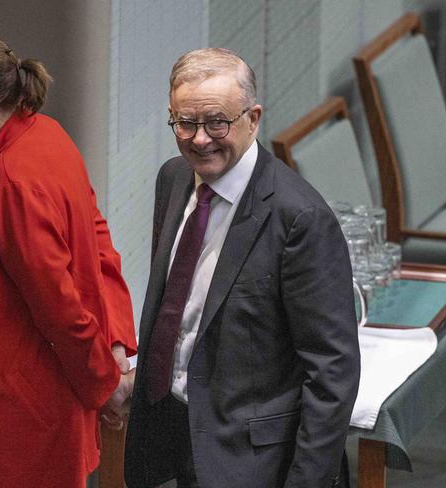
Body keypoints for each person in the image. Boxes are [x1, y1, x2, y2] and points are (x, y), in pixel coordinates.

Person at [121, 47, 361, 488]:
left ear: (253, 118)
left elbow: (332, 373)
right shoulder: (173, 178)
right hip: (166, 436)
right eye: (185, 122)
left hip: (249, 462)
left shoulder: (299, 218)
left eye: (216, 122)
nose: (199, 139)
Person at [0, 30, 137, 488]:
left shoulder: (10, 180)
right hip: (42, 399)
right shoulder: (46, 134)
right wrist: (116, 346)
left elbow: (59, 306)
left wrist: (105, 384)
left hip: (18, 415)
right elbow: (98, 243)